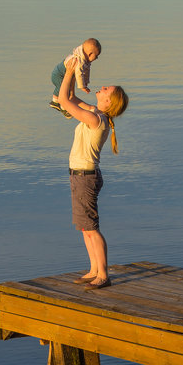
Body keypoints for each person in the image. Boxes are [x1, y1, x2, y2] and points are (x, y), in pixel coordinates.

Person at [58, 57, 128, 290]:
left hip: (84, 177)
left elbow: (66, 104)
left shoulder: (96, 120)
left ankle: (103, 275)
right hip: (81, 176)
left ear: (108, 101)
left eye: (107, 89)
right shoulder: (96, 113)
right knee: (85, 228)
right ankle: (94, 270)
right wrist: (71, 76)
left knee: (91, 228)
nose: (104, 86)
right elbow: (71, 99)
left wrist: (69, 72)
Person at [50, 38, 101, 118]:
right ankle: (63, 106)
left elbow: (86, 71)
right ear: (90, 54)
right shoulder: (79, 61)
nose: (97, 58)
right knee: (63, 90)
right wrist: (82, 86)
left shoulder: (85, 59)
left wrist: (86, 81)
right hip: (59, 74)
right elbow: (79, 74)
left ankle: (56, 101)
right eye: (97, 55)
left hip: (64, 75)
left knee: (65, 90)